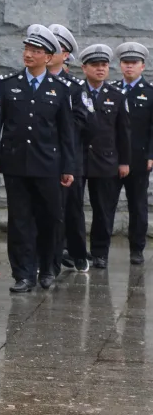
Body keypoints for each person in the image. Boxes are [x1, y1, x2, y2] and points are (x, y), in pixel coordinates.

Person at [0, 24, 76, 293]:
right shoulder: (9, 85)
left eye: (36, 50)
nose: (29, 54)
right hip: (16, 164)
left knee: (50, 218)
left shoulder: (60, 89)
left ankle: (48, 267)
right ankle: (23, 273)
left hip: (48, 165)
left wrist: (68, 166)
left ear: (49, 56)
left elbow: (67, 133)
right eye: (27, 49)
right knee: (19, 220)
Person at [78, 44, 131, 268]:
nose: (100, 69)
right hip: (78, 160)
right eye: (95, 65)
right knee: (73, 209)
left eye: (104, 65)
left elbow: (124, 132)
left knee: (103, 210)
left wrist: (125, 162)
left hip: (106, 161)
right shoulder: (74, 93)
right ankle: (76, 251)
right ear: (84, 68)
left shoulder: (116, 96)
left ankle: (100, 252)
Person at [48, 24, 92, 274]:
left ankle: (76, 252)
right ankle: (48, 257)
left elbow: (82, 119)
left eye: (56, 48)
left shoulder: (75, 87)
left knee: (72, 209)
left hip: (67, 156)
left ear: (65, 55)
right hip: (41, 157)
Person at [114, 42, 152, 266]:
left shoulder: (149, 93)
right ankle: (100, 250)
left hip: (139, 160)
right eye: (125, 63)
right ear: (120, 65)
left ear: (142, 66)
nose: (129, 67)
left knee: (137, 206)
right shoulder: (112, 90)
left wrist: (151, 154)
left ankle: (136, 249)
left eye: (133, 63)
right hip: (113, 158)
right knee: (105, 205)